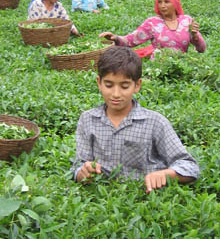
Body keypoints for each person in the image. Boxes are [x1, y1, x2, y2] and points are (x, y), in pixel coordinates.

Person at [71, 46, 200, 193]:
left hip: (145, 198)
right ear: (99, 83)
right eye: (109, 85)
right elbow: (78, 165)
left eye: (125, 86)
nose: (116, 94)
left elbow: (189, 166)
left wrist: (165, 174)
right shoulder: (88, 119)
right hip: (103, 199)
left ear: (137, 85)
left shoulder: (155, 122)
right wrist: (83, 173)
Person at [99, 0, 206, 59]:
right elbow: (131, 40)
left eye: (167, 2)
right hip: (158, 67)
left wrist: (195, 35)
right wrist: (115, 38)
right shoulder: (152, 23)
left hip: (181, 65)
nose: (162, 5)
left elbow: (201, 49)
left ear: (175, 3)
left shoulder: (186, 21)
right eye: (159, 2)